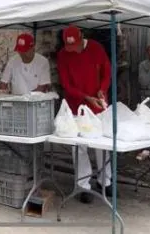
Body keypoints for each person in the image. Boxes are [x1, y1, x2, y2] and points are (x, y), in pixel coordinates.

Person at [57, 25, 112, 203]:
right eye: (69, 47)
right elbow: (66, 84)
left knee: (102, 143)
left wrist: (102, 89)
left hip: (98, 104)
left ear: (82, 39)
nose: (73, 50)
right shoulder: (63, 55)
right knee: (78, 147)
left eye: (75, 46)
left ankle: (106, 181)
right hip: (76, 107)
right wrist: (86, 98)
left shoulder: (96, 48)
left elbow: (107, 71)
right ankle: (83, 185)